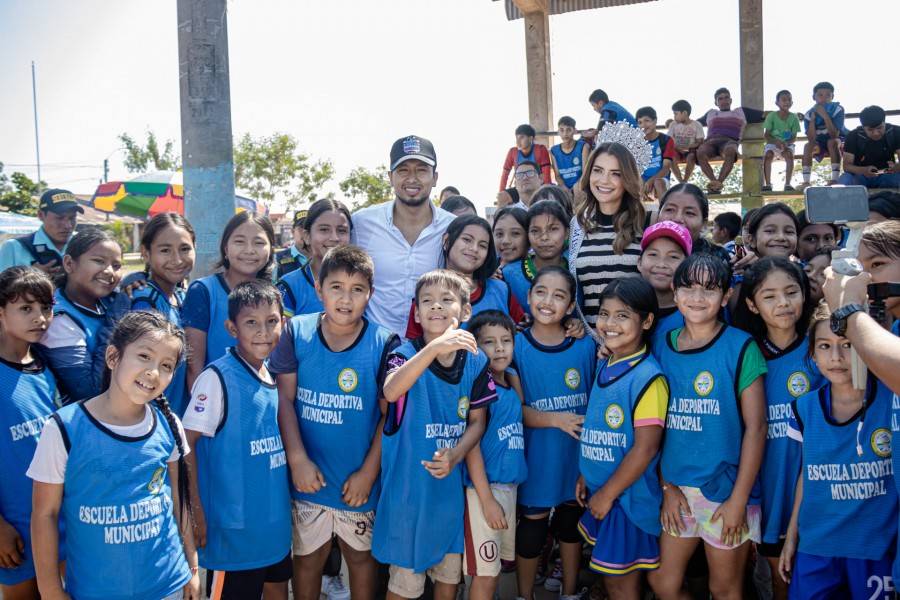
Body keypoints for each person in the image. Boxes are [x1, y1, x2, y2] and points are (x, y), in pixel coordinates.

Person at [29, 311, 200, 600]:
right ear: (112, 357)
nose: (153, 372)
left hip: (168, 585)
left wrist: (192, 566)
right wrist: (50, 591)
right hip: (95, 590)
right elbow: (45, 514)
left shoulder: (169, 425)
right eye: (144, 356)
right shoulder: (64, 428)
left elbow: (178, 500)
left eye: (166, 365)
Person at [269, 246, 399, 600]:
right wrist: (297, 459)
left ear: (370, 294)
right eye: (336, 287)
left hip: (357, 479)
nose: (346, 298)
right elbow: (284, 399)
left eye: (357, 289)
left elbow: (389, 417)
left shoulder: (385, 342)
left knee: (360, 559)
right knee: (308, 561)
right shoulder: (297, 332)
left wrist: (368, 473)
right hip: (308, 479)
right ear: (318, 288)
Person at [648, 254, 767, 600]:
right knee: (663, 583)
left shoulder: (741, 346)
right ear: (674, 291)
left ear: (726, 296)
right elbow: (654, 428)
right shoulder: (661, 345)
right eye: (688, 287)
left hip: (727, 491)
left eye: (710, 289)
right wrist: (666, 486)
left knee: (724, 589)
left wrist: (738, 500)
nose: (697, 298)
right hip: (677, 492)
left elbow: (757, 428)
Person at [374, 269, 494, 600]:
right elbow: (392, 391)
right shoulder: (402, 354)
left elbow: (477, 423)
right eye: (427, 301)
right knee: (404, 588)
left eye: (446, 300)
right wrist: (434, 347)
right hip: (408, 500)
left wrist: (456, 455)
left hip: (447, 501)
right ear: (416, 313)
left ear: (465, 311)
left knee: (448, 581)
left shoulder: (475, 361)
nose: (436, 306)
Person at [182, 282, 292, 599]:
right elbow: (186, 446)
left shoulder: (270, 373)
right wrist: (195, 510)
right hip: (233, 535)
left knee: (277, 590)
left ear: (283, 323)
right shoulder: (217, 378)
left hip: (271, 529)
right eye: (251, 322)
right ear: (232, 328)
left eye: (271, 321)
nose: (263, 332)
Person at [778, 306, 897, 598]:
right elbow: (807, 475)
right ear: (812, 354)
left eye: (848, 345)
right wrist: (792, 536)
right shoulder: (804, 408)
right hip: (816, 547)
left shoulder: (891, 400)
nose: (836, 357)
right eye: (824, 346)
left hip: (874, 548)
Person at [733, 258, 821, 600]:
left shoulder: (821, 350)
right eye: (769, 296)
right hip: (767, 487)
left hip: (814, 487)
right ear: (752, 304)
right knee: (779, 575)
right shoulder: (744, 355)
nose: (783, 303)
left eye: (791, 292)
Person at [577, 278, 669, 600]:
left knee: (622, 585)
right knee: (610, 580)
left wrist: (607, 494)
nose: (610, 323)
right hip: (604, 492)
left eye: (622, 315)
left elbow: (645, 449)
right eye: (604, 314)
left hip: (626, 501)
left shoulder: (648, 378)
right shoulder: (607, 362)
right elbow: (600, 427)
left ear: (646, 321)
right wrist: (586, 473)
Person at [515, 267, 596, 600]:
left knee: (570, 526)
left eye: (559, 295)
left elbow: (597, 401)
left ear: (571, 305)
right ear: (529, 296)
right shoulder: (516, 346)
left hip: (574, 459)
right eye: (541, 292)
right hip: (537, 457)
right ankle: (524, 594)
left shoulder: (585, 346)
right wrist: (555, 420)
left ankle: (570, 591)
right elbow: (512, 410)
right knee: (532, 529)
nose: (548, 301)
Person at [351, 135, 455, 338]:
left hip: (433, 345)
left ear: (435, 178)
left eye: (421, 170)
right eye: (403, 170)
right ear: (391, 177)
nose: (412, 178)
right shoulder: (362, 223)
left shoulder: (453, 227)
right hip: (374, 344)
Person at [0, 267, 62, 600]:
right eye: (26, 308)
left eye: (46, 308)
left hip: (57, 520)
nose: (40, 318)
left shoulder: (45, 366)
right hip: (14, 527)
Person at [464, 311, 527, 600]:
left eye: (506, 340)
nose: (500, 348)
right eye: (489, 342)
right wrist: (487, 500)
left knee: (494, 572)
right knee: (485, 577)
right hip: (483, 492)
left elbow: (519, 407)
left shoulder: (510, 382)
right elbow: (472, 447)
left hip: (508, 490)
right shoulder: (481, 389)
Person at [111, 213, 195, 415]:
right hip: (150, 418)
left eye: (185, 249)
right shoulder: (144, 299)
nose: (177, 259)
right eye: (165, 250)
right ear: (146, 253)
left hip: (174, 416)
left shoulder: (181, 296)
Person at [182, 212, 275, 390]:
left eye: (259, 242)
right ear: (225, 248)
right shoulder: (203, 291)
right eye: (239, 241)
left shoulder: (274, 295)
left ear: (271, 249)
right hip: (216, 399)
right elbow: (194, 369)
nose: (249, 250)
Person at [37, 227, 122, 405]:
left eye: (116, 266)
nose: (109, 271)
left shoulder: (106, 301)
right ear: (69, 264)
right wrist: (118, 319)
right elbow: (89, 390)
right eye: (99, 261)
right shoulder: (58, 317)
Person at [405, 215, 524, 338]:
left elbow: (523, 335)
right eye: (467, 240)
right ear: (447, 240)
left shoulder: (501, 291)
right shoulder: (426, 295)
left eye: (482, 245)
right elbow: (413, 347)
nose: (474, 249)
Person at [570, 143, 646, 329]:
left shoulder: (645, 223)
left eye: (615, 174)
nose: (604, 180)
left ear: (627, 179)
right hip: (587, 338)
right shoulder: (578, 225)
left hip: (630, 339)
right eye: (598, 170)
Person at [277, 199, 352, 318]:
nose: (334, 238)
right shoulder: (288, 286)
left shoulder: (361, 281)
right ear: (307, 236)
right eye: (324, 229)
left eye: (342, 231)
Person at [503, 200, 570, 316]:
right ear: (527, 235)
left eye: (553, 229)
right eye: (535, 231)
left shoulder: (576, 271)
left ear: (567, 233)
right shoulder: (508, 274)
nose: (544, 237)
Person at [636, 220, 692, 353]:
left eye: (673, 257)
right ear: (639, 262)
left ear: (688, 266)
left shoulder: (695, 315)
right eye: (653, 254)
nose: (661, 264)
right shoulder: (627, 308)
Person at [0, 188, 82, 276]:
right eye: (59, 218)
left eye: (72, 218)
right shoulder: (14, 247)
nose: (68, 225)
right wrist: (29, 277)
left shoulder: (83, 245)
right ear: (40, 215)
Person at [697, 88, 762, 193]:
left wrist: (787, 114)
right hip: (711, 142)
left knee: (731, 151)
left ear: (730, 100)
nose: (724, 101)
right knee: (700, 152)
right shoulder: (711, 113)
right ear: (716, 103)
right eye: (720, 99)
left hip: (729, 141)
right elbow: (693, 124)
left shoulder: (740, 112)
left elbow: (765, 115)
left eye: (726, 98)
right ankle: (714, 182)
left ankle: (718, 183)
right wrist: (673, 122)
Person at [657, 184, 731, 264]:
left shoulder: (718, 258)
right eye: (669, 209)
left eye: (689, 213)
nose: (677, 219)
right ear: (658, 215)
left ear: (704, 224)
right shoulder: (647, 249)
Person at [837, 105, 900, 188]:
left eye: (879, 128)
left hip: (888, 175)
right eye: (870, 130)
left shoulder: (896, 132)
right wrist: (863, 170)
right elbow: (846, 166)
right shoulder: (853, 136)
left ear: (884, 123)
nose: (876, 133)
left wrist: (896, 167)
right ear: (863, 128)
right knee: (845, 179)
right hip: (861, 176)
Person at [800, 82, 847, 187]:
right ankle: (806, 181)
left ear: (832, 97)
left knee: (831, 142)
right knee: (807, 146)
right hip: (820, 143)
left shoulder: (837, 109)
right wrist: (812, 120)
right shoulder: (809, 114)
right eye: (820, 95)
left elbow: (834, 135)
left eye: (828, 95)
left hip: (839, 141)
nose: (824, 98)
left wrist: (825, 116)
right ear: (814, 97)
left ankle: (835, 179)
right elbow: (811, 139)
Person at [763, 90, 801, 191]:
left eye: (789, 100)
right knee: (768, 155)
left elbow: (794, 137)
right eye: (784, 100)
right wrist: (776, 142)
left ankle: (787, 184)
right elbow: (766, 135)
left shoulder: (794, 118)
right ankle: (768, 184)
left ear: (792, 103)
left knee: (789, 155)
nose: (787, 102)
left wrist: (786, 143)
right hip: (772, 143)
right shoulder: (771, 116)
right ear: (777, 103)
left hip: (787, 144)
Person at [636, 107, 677, 201]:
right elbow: (636, 168)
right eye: (640, 122)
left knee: (658, 183)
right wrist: (641, 183)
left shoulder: (666, 140)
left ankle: (665, 208)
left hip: (661, 179)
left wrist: (651, 180)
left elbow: (666, 168)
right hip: (641, 180)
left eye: (647, 121)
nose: (643, 125)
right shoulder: (637, 143)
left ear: (655, 121)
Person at [499, 124, 552, 191]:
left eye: (521, 137)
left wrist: (547, 192)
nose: (518, 142)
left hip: (538, 188)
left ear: (531, 138)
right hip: (521, 188)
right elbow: (505, 174)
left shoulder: (540, 150)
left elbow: (546, 176)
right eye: (517, 138)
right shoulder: (512, 152)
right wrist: (501, 192)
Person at [668, 100, 705, 183]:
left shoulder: (696, 125)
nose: (674, 117)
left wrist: (688, 147)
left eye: (676, 114)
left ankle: (685, 180)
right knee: (671, 158)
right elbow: (669, 139)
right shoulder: (673, 124)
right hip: (676, 149)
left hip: (690, 150)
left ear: (684, 113)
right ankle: (680, 181)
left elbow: (700, 142)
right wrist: (677, 147)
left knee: (691, 157)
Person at [550, 116, 590, 190]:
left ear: (575, 131)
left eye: (568, 130)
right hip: (564, 188)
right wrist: (565, 190)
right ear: (558, 132)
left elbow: (585, 173)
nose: (565, 133)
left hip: (581, 187)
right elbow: (557, 176)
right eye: (562, 130)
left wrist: (575, 189)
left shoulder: (583, 147)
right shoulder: (554, 150)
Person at [275, 210, 310, 278]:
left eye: (308, 228)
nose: (305, 232)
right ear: (292, 232)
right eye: (301, 229)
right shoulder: (278, 258)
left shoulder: (323, 257)